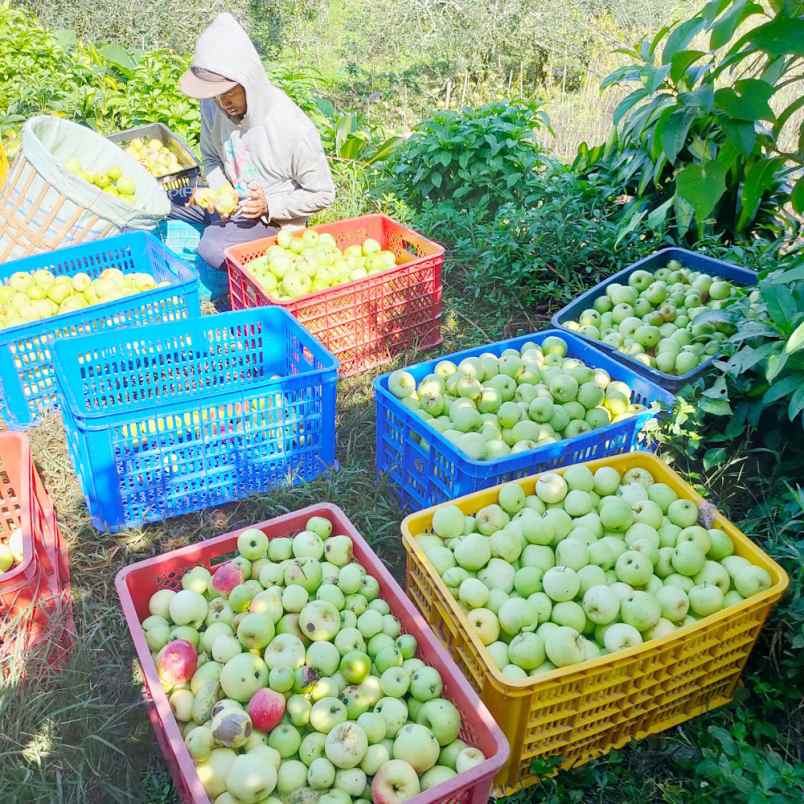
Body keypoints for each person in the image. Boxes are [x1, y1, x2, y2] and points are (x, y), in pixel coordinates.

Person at [173, 12, 335, 277]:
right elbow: (211, 158)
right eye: (214, 96)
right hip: (232, 203)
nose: (222, 104)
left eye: (228, 94)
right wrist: (220, 191)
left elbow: (323, 193)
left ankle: (230, 244)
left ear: (249, 82)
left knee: (212, 249)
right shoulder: (213, 105)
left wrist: (269, 205)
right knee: (165, 202)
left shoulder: (291, 127)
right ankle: (219, 228)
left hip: (269, 215)